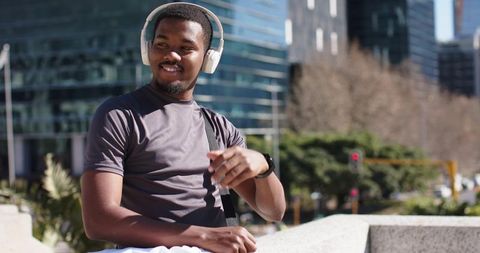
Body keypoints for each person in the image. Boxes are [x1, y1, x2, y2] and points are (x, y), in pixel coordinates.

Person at [81, 2, 286, 253]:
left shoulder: (219, 128)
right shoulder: (119, 115)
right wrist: (201, 237)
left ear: (208, 58)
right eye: (162, 44)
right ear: (148, 50)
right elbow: (98, 221)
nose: (171, 55)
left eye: (186, 48)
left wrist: (263, 166)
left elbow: (273, 211)